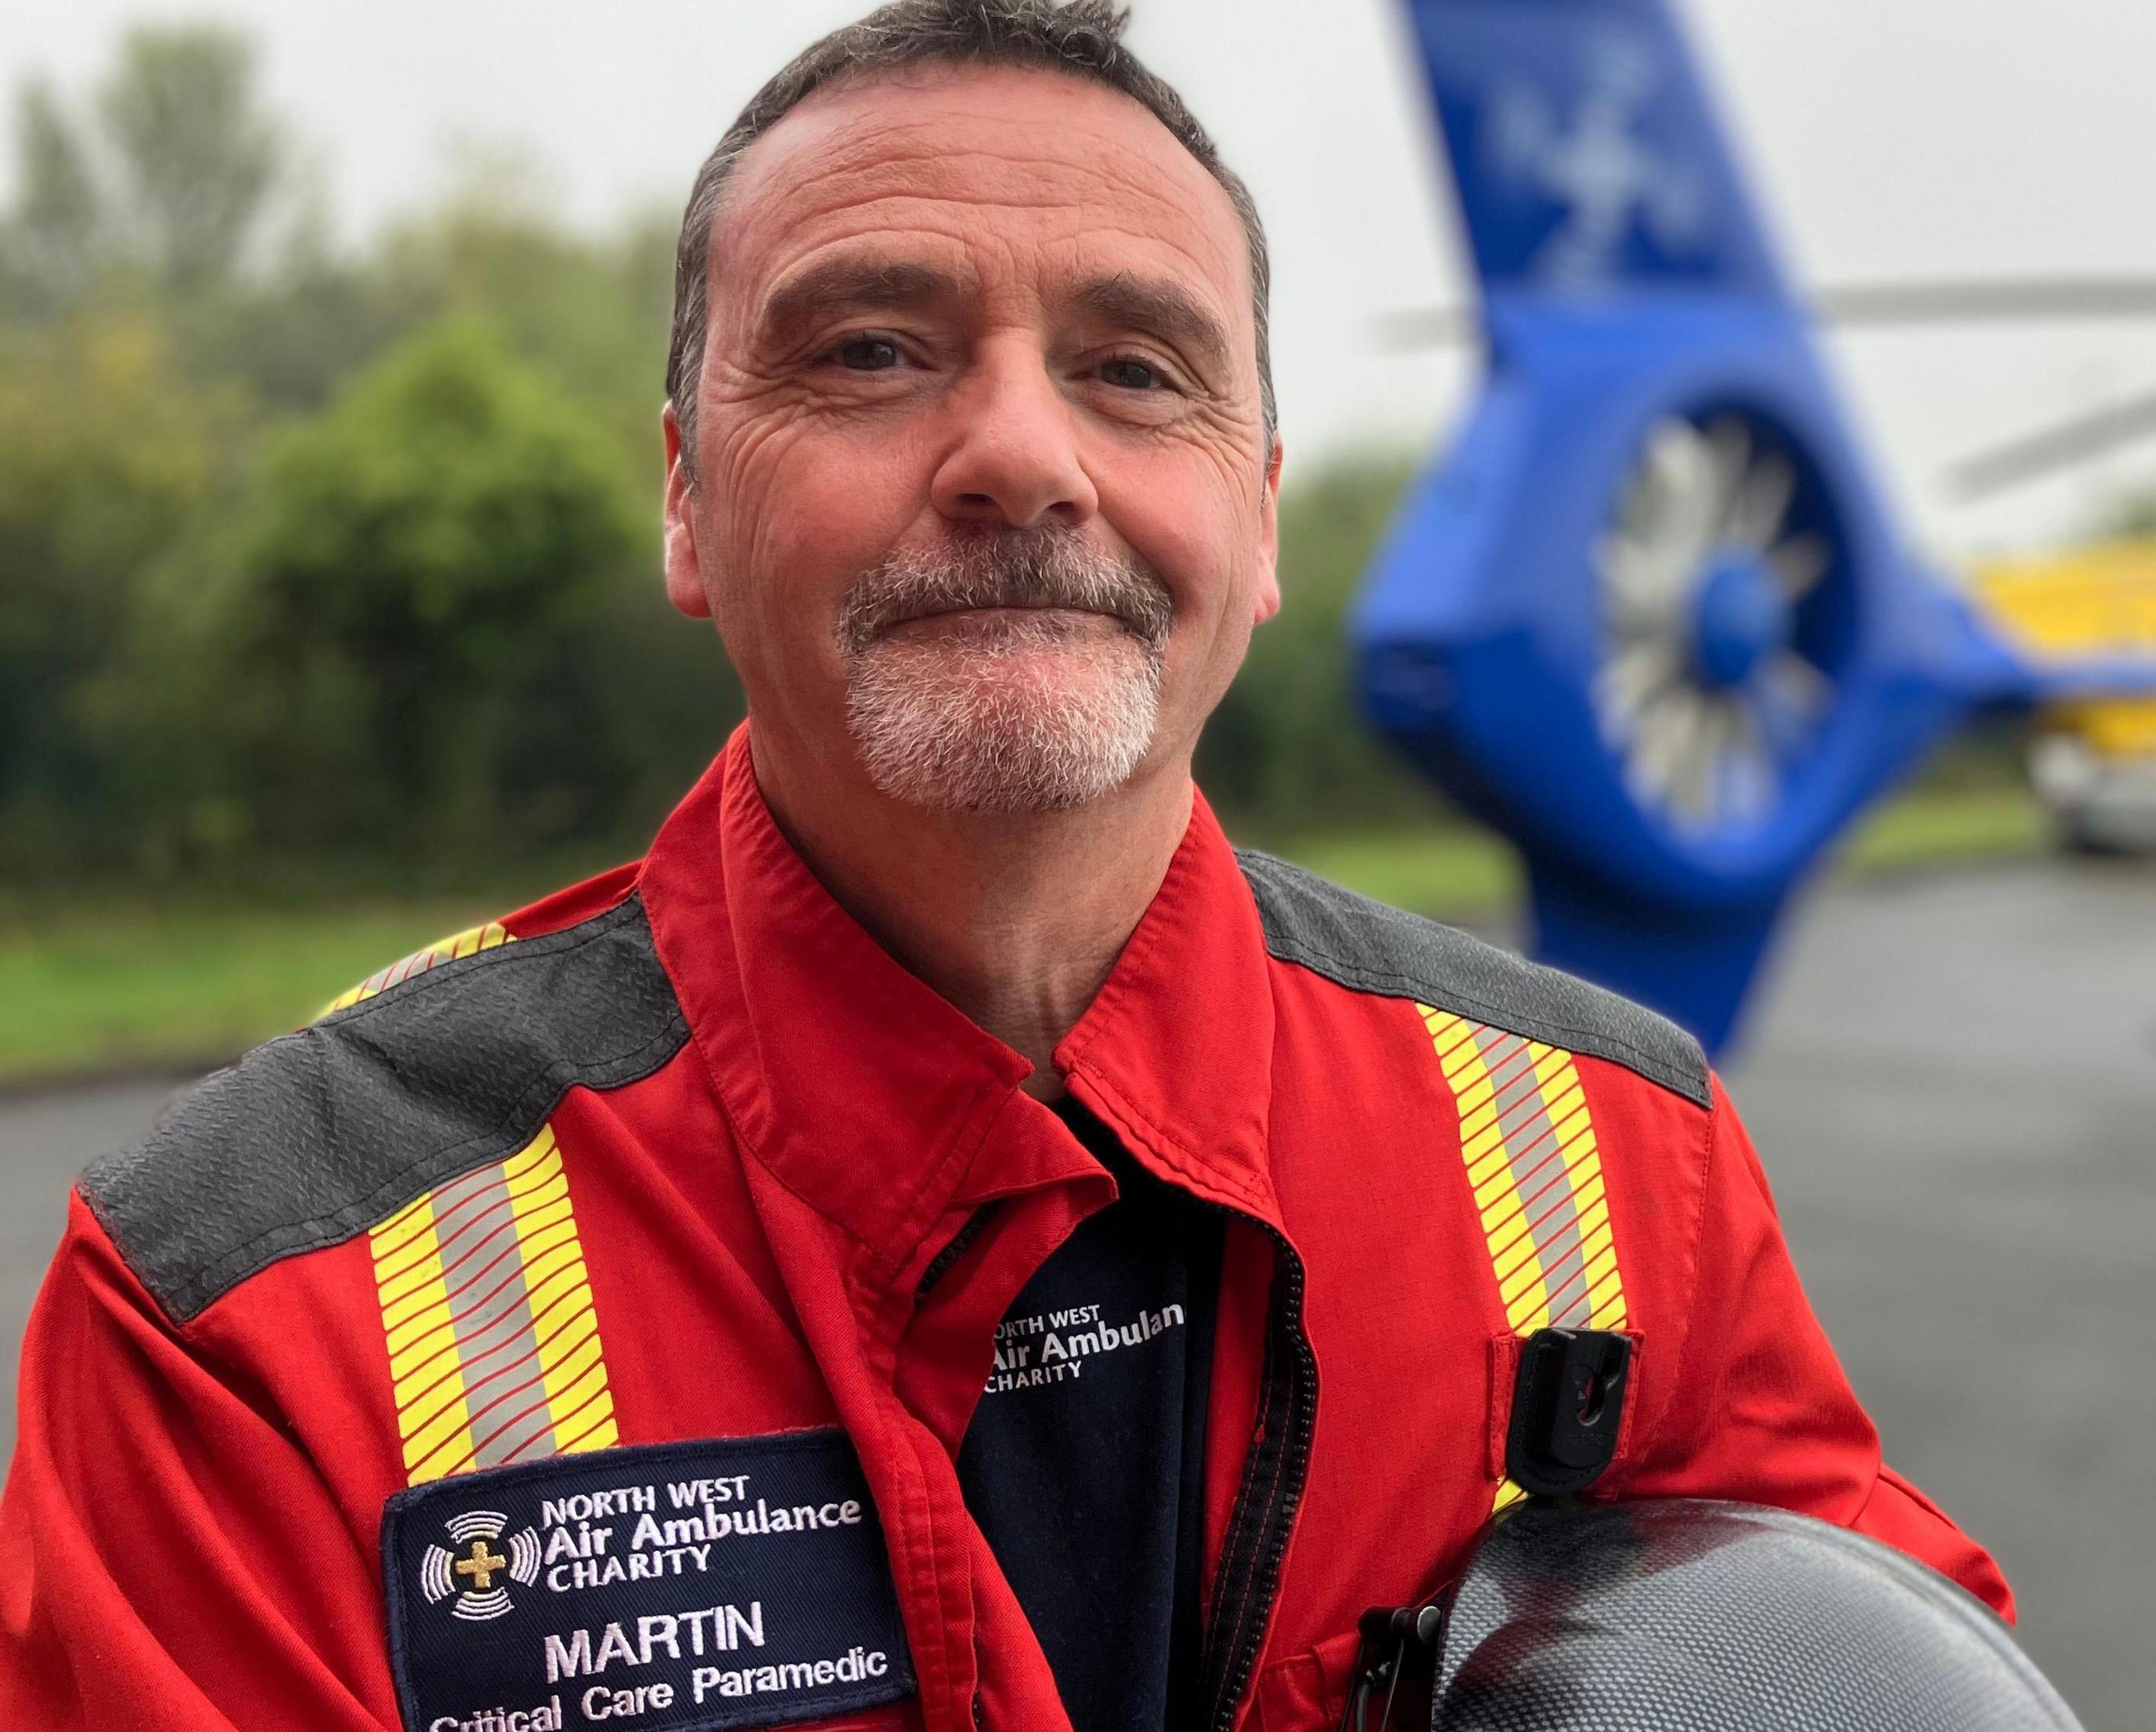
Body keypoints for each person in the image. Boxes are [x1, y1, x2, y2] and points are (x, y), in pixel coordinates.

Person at [0, 3, 2011, 1728]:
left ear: (1262, 518)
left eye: (1140, 369)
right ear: (689, 503)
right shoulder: (248, 1315)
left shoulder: (1620, 1153)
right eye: (873, 350)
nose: (1024, 454)